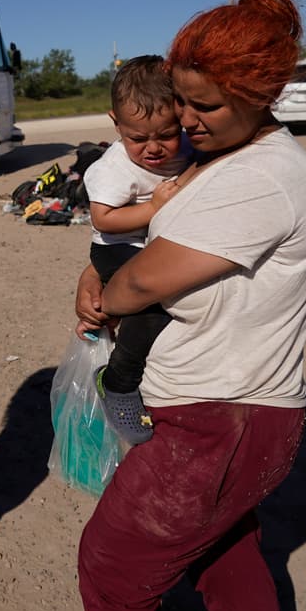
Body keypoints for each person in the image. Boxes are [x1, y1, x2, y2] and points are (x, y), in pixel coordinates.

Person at [73, 0, 306, 611]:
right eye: (181, 101)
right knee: (225, 558)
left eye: (204, 106)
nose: (184, 121)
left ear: (262, 93)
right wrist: (92, 273)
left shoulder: (263, 175)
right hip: (231, 417)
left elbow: (146, 279)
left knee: (111, 573)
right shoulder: (230, 157)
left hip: (219, 423)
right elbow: (138, 243)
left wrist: (110, 291)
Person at [82, 55, 191, 444]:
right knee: (155, 305)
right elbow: (103, 219)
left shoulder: (190, 146)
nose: (153, 149)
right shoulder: (114, 169)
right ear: (116, 123)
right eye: (137, 138)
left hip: (148, 245)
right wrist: (152, 208)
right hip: (116, 247)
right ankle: (119, 380)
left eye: (165, 134)